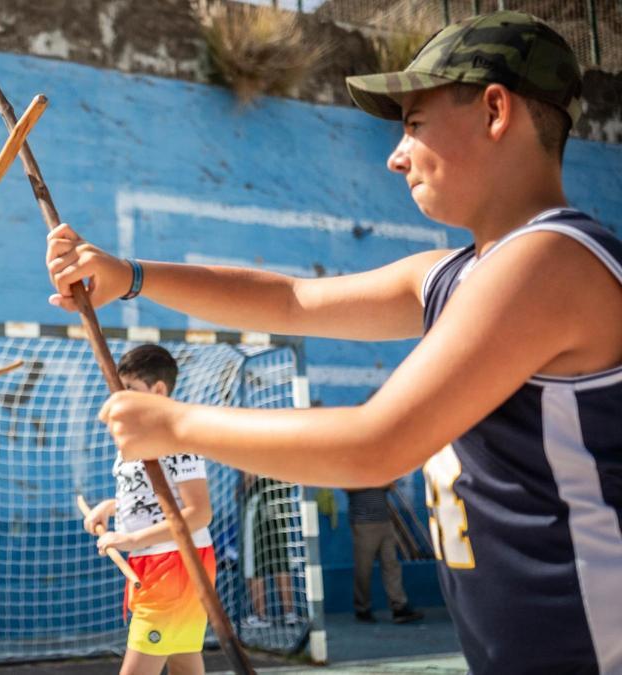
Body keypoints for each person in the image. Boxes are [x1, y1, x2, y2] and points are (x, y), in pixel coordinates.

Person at [48, 12, 621, 674]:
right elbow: (290, 299)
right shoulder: (457, 273)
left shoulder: (550, 259)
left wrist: (176, 424)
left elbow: (376, 445)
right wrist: (128, 276)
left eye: (412, 124)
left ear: (495, 109)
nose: (395, 154)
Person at [82, 344, 214, 675]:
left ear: (158, 390)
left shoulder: (177, 437)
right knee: (184, 662)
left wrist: (133, 538)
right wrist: (111, 507)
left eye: (131, 391)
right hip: (153, 562)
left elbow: (198, 512)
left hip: (178, 564)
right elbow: (151, 495)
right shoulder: (137, 436)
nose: (122, 401)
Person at [345, 486, 422, 624]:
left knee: (391, 565)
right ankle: (362, 608)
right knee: (364, 568)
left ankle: (399, 607)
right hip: (363, 524)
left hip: (384, 521)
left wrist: (378, 480)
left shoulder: (378, 469)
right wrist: (376, 481)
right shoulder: (353, 470)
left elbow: (391, 485)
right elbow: (347, 486)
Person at [238, 473, 301, 630]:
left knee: (254, 562)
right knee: (281, 560)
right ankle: (289, 613)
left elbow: (248, 480)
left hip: (257, 506)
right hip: (279, 506)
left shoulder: (251, 451)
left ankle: (260, 616)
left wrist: (241, 489)